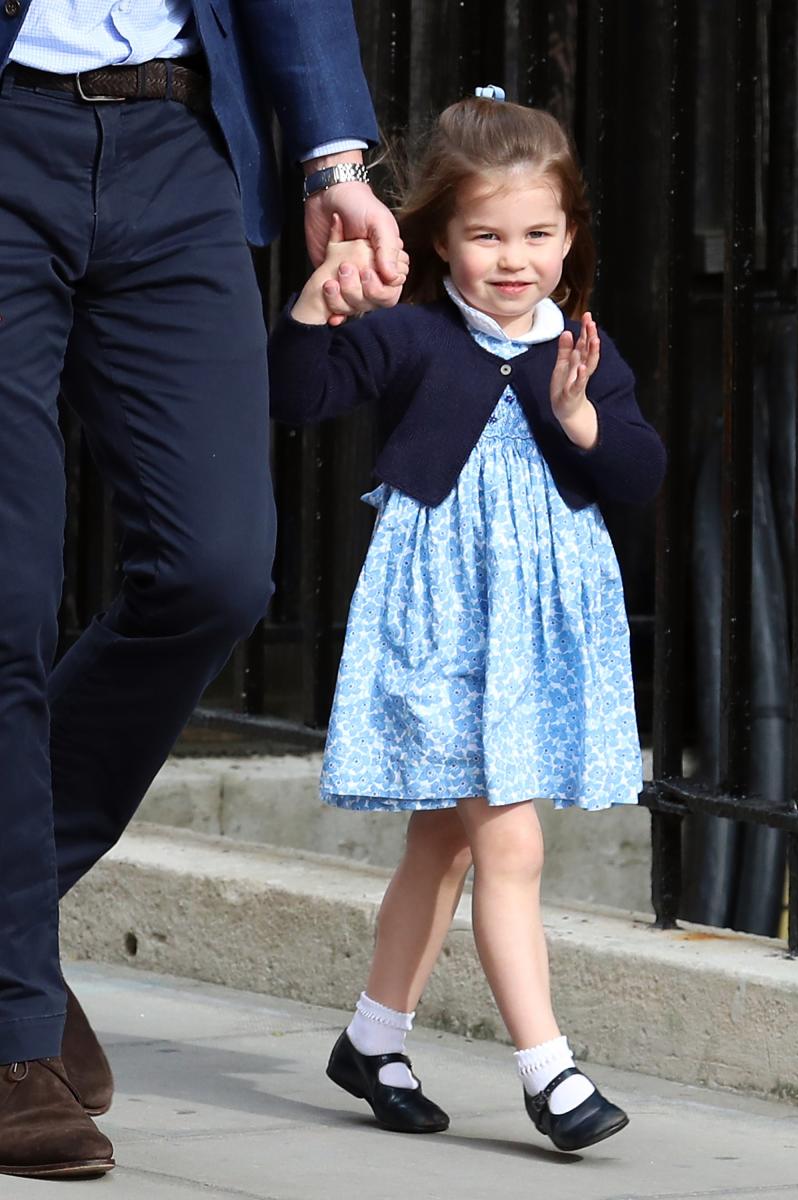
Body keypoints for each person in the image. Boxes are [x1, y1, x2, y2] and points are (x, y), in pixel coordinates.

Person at [0, 0, 405, 1181]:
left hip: (177, 143)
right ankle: (14, 1026)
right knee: (7, 602)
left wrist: (333, 155)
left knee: (216, 567)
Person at [268, 89, 667, 1152]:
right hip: (442, 627)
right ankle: (553, 1075)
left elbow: (640, 471)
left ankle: (372, 1040)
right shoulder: (408, 336)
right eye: (485, 234)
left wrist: (582, 419)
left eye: (538, 232)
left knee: (444, 846)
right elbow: (297, 397)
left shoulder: (578, 348)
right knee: (511, 842)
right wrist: (315, 306)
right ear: (438, 234)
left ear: (570, 234)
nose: (513, 257)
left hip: (533, 638)